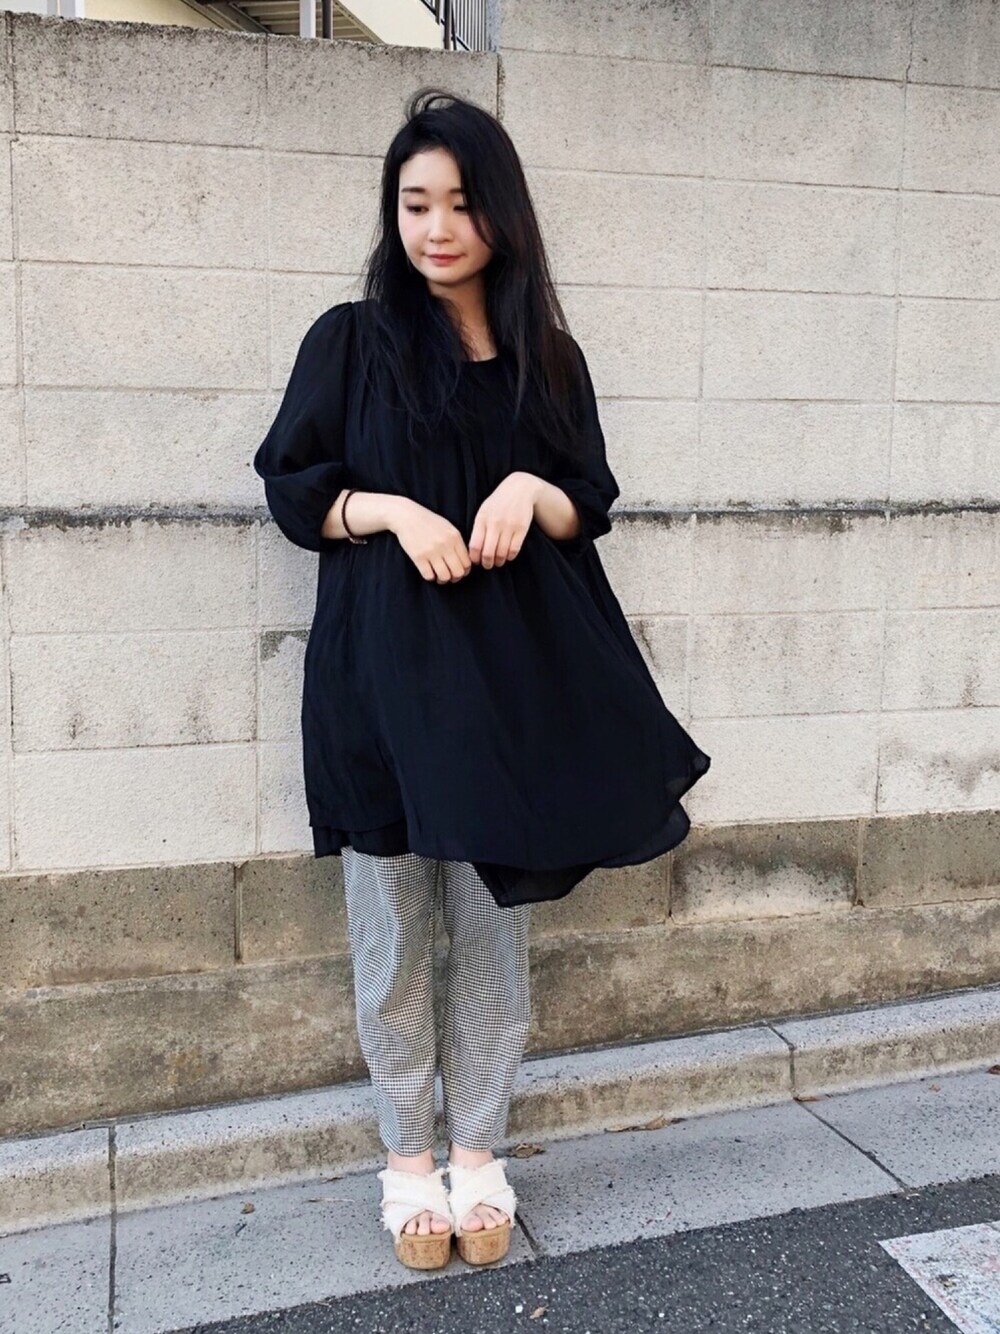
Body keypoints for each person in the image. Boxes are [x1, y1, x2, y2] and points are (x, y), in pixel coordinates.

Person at [252, 87, 711, 1271]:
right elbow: (297, 491)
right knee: (391, 931)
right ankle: (407, 1157)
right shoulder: (348, 342)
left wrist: (527, 486)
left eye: (460, 202)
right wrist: (392, 509)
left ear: (500, 213)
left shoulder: (546, 359)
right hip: (379, 685)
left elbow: (585, 500)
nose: (437, 227)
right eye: (415, 203)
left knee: (491, 931)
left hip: (508, 691)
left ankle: (479, 1151)